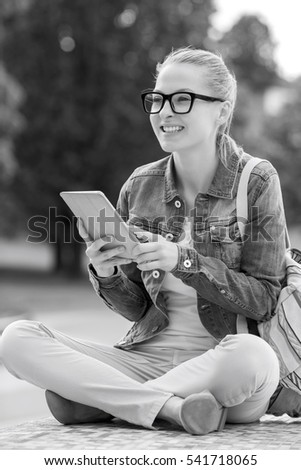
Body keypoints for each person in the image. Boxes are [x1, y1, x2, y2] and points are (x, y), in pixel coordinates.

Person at [0, 47, 288, 435]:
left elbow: (265, 300)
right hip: (144, 359)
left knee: (255, 358)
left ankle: (110, 401)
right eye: (157, 100)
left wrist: (183, 261)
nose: (164, 112)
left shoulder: (256, 180)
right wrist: (108, 274)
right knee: (17, 338)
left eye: (182, 99)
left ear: (222, 110)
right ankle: (172, 409)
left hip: (223, 363)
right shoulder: (141, 185)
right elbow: (139, 309)